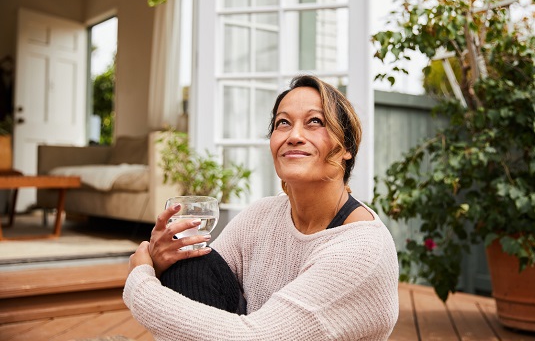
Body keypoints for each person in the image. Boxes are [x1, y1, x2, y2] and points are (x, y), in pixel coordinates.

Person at [124, 75, 400, 340]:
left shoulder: (362, 251)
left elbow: (258, 337)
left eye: (315, 122)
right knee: (189, 261)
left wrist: (142, 285)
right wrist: (163, 263)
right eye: (283, 123)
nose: (294, 135)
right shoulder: (261, 215)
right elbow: (199, 284)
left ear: (347, 147)